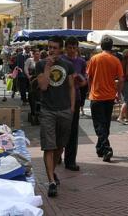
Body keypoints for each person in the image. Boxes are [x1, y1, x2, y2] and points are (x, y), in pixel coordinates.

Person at [36, 37, 75, 198]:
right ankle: (51, 181)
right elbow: (43, 86)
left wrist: (72, 108)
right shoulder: (40, 65)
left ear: (61, 50)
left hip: (65, 110)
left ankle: (52, 171)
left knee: (60, 146)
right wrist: (47, 67)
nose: (51, 50)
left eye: (54, 48)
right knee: (49, 146)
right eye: (49, 47)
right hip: (47, 111)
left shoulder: (68, 65)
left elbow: (72, 87)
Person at [86, 36, 124, 162]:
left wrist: (90, 88)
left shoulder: (94, 59)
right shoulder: (115, 60)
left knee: (99, 124)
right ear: (111, 46)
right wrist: (118, 92)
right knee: (105, 124)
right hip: (109, 96)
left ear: (101, 46)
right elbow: (121, 79)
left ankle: (107, 148)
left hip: (96, 96)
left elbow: (89, 76)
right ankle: (100, 148)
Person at [61, 36, 87, 171]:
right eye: (69, 48)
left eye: (74, 47)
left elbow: (84, 81)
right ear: (66, 48)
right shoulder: (61, 60)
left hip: (75, 98)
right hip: (61, 98)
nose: (72, 50)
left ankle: (70, 160)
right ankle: (58, 153)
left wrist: (80, 79)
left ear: (77, 48)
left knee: (73, 130)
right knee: (60, 128)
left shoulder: (81, 62)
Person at [25, 48, 41, 122]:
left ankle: (38, 110)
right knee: (32, 95)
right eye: (36, 54)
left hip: (39, 80)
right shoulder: (30, 60)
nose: (38, 55)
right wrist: (28, 76)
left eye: (39, 54)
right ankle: (33, 111)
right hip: (32, 80)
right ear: (33, 54)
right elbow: (25, 68)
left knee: (39, 95)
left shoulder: (41, 62)